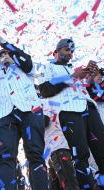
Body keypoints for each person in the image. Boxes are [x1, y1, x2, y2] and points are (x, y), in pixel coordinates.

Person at [0, 32, 48, 190]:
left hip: (30, 111)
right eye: (1, 55)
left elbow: (27, 61)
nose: (4, 55)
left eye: (7, 53)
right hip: (4, 116)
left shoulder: (26, 70)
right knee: (6, 157)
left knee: (35, 155)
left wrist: (3, 42)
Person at [36, 38, 104, 189]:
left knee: (101, 150)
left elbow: (86, 88)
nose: (70, 54)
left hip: (88, 107)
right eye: (67, 50)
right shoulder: (47, 68)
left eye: (72, 51)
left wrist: (90, 76)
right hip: (69, 111)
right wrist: (73, 77)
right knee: (81, 155)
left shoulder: (73, 68)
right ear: (56, 52)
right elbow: (45, 90)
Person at [41, 99, 80, 190]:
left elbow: (44, 121)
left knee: (70, 185)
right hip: (54, 151)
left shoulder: (44, 102)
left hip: (59, 148)